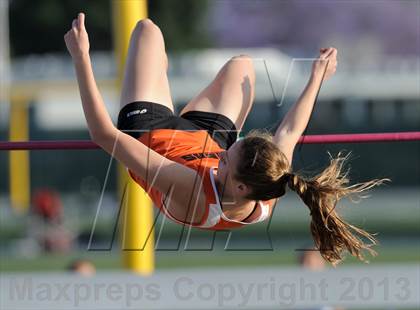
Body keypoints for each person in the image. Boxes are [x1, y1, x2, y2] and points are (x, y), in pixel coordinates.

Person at [64, 13, 386, 265]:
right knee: (242, 66)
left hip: (152, 133)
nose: (222, 156)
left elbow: (104, 135)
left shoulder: (190, 189)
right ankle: (158, 74)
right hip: (204, 138)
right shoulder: (267, 184)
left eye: (226, 160)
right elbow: (289, 132)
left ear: (240, 186)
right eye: (231, 149)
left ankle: (158, 71)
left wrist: (81, 57)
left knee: (148, 31)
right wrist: (317, 77)